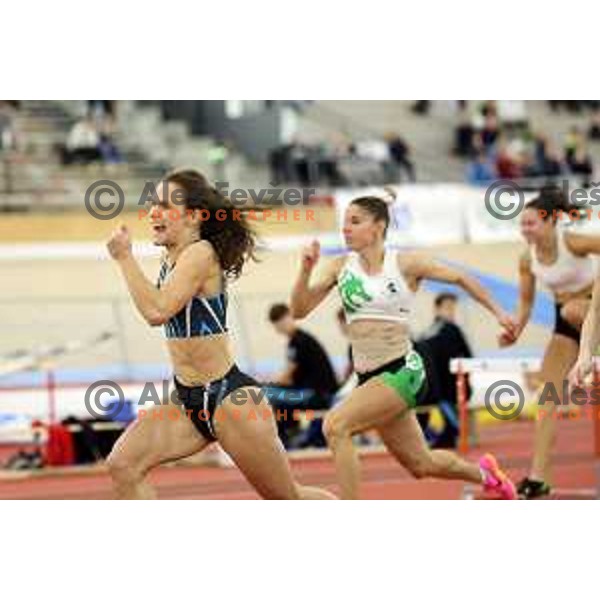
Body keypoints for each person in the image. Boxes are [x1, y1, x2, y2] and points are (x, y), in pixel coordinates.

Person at [105, 169, 335, 500]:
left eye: (165, 204)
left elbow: (156, 311)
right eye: (153, 203)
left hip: (231, 400)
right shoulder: (170, 257)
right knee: (123, 465)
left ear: (195, 215)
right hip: (188, 399)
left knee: (288, 499)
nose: (153, 211)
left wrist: (124, 258)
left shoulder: (201, 253)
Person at [290, 188, 519, 499]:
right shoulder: (339, 266)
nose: (346, 228)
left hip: (403, 371)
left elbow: (462, 279)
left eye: (355, 221)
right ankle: (486, 475)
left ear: (379, 226)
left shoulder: (406, 263)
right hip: (370, 379)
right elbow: (299, 309)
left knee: (335, 425)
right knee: (420, 464)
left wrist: (500, 314)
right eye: (344, 222)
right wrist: (305, 270)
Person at [500, 186, 600, 498]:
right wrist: (514, 329)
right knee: (547, 396)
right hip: (566, 321)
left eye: (530, 223)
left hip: (591, 308)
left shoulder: (572, 242)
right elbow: (526, 305)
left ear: (551, 222)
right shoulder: (526, 259)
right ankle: (538, 477)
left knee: (573, 308)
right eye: (521, 224)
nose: (524, 229)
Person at [267, 303, 338, 448]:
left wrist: (267, 384)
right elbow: (290, 377)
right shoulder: (297, 340)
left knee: (268, 394)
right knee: (274, 394)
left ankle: (287, 436)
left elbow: (287, 377)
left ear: (290, 317)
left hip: (317, 395)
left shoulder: (299, 341)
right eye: (277, 324)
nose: (280, 326)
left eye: (282, 321)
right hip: (315, 392)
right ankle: (291, 432)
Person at [416, 293, 473, 448]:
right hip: (443, 388)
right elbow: (468, 355)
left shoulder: (429, 333)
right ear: (437, 308)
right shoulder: (435, 332)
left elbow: (468, 357)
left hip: (442, 387)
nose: (451, 311)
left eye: (453, 308)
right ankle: (450, 430)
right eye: (447, 307)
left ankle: (448, 431)